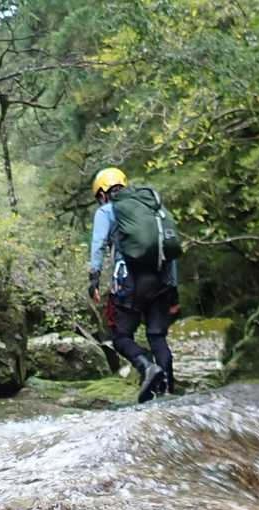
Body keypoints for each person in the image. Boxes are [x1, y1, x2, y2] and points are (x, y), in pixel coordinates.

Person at [87, 166, 182, 403]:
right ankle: (169, 393)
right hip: (161, 280)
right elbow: (169, 250)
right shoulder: (152, 208)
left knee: (121, 337)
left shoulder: (107, 211)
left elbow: (98, 245)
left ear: (102, 193)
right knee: (157, 336)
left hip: (130, 282)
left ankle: (147, 367)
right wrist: (173, 291)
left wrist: (94, 279)